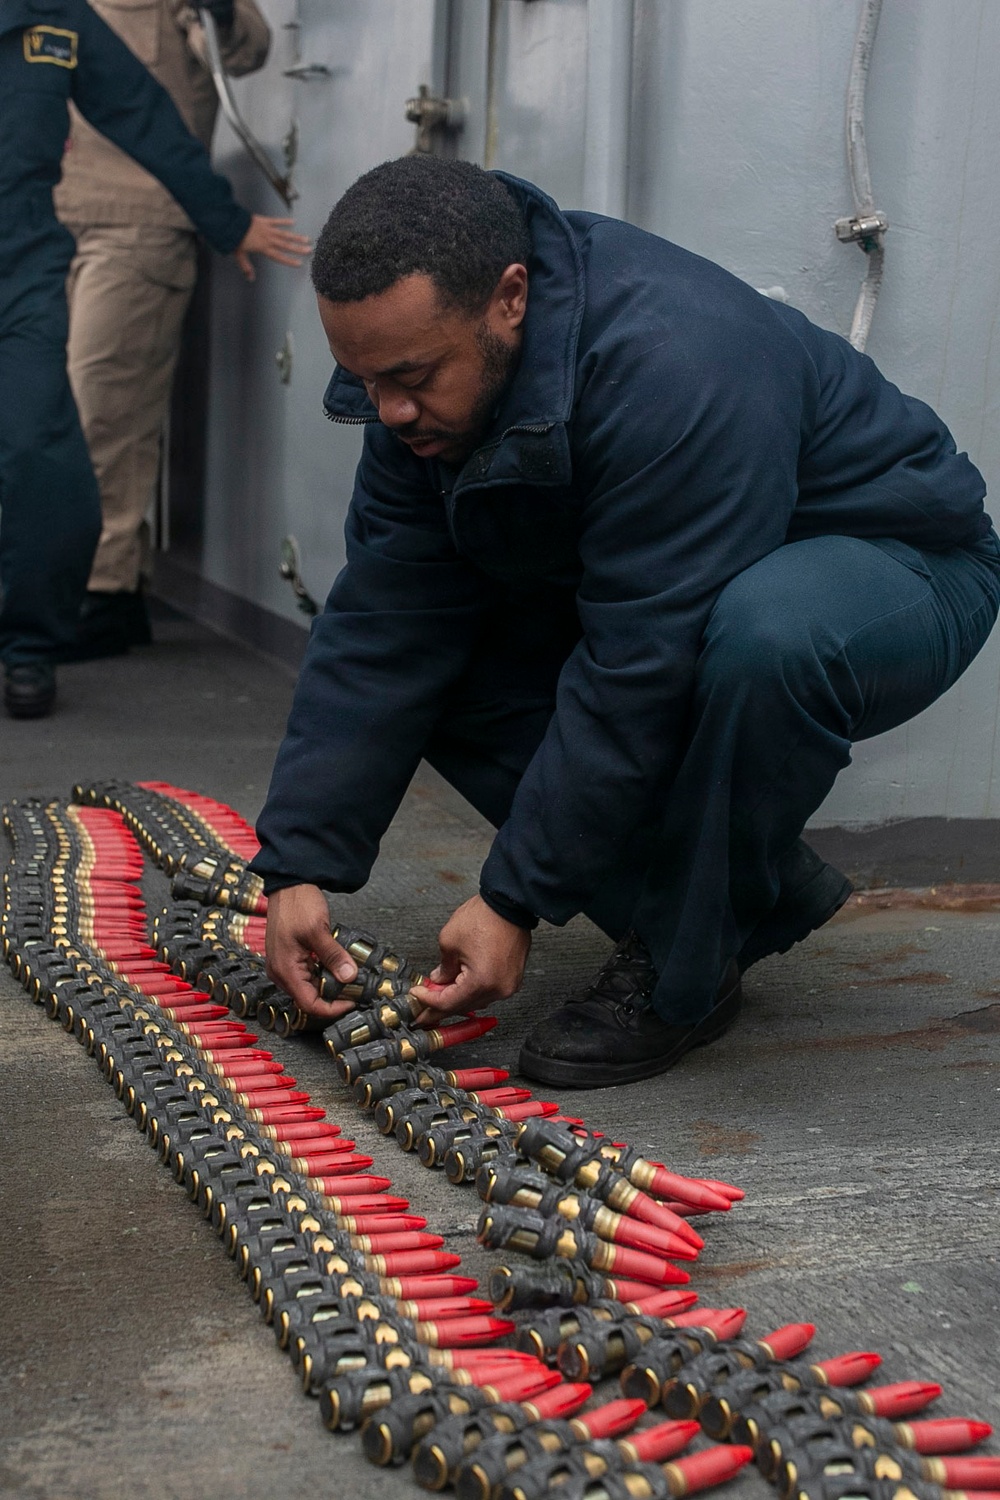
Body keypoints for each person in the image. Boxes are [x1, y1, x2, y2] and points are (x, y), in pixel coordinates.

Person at [251, 154, 1000, 1090]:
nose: (390, 410)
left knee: (766, 636)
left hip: (901, 569)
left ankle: (682, 978)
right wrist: (295, 867)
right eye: (364, 381)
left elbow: (641, 664)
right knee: (453, 660)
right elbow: (385, 620)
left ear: (510, 298)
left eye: (411, 376)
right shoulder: (413, 401)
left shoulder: (676, 359)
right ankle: (724, 901)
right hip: (707, 590)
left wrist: (511, 899)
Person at [0, 0, 308, 719]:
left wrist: (225, 219)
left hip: (25, 272)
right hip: (56, 245)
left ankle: (27, 647)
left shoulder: (55, 22)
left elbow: (145, 115)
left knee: (48, 453)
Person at [55, 0, 271, 660]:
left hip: (142, 219)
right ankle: (59, 579)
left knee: (104, 408)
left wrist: (221, 12)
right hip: (50, 214)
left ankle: (106, 590)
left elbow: (246, 49)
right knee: (47, 411)